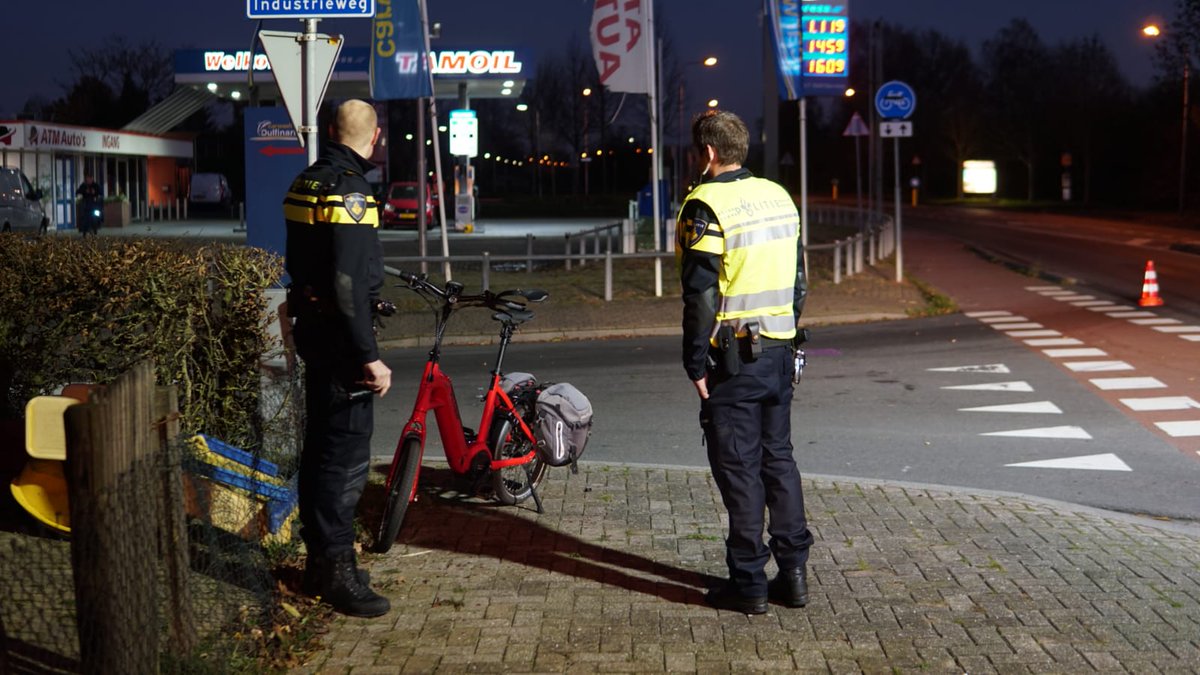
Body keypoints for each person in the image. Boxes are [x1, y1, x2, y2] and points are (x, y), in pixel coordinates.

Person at [675, 109, 813, 615]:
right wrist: (787, 332)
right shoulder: (779, 196)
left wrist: (695, 363)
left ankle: (749, 583)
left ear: (708, 153)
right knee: (779, 460)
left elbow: (701, 295)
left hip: (732, 358)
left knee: (739, 468)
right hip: (780, 350)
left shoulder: (705, 204)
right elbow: (799, 281)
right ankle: (793, 576)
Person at [284, 99, 392, 618]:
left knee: (320, 449)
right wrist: (369, 357)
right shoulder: (352, 189)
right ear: (373, 138)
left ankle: (318, 563)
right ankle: (336, 572)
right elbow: (348, 282)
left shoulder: (306, 181)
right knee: (346, 458)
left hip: (314, 330)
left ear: (331, 131)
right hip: (342, 338)